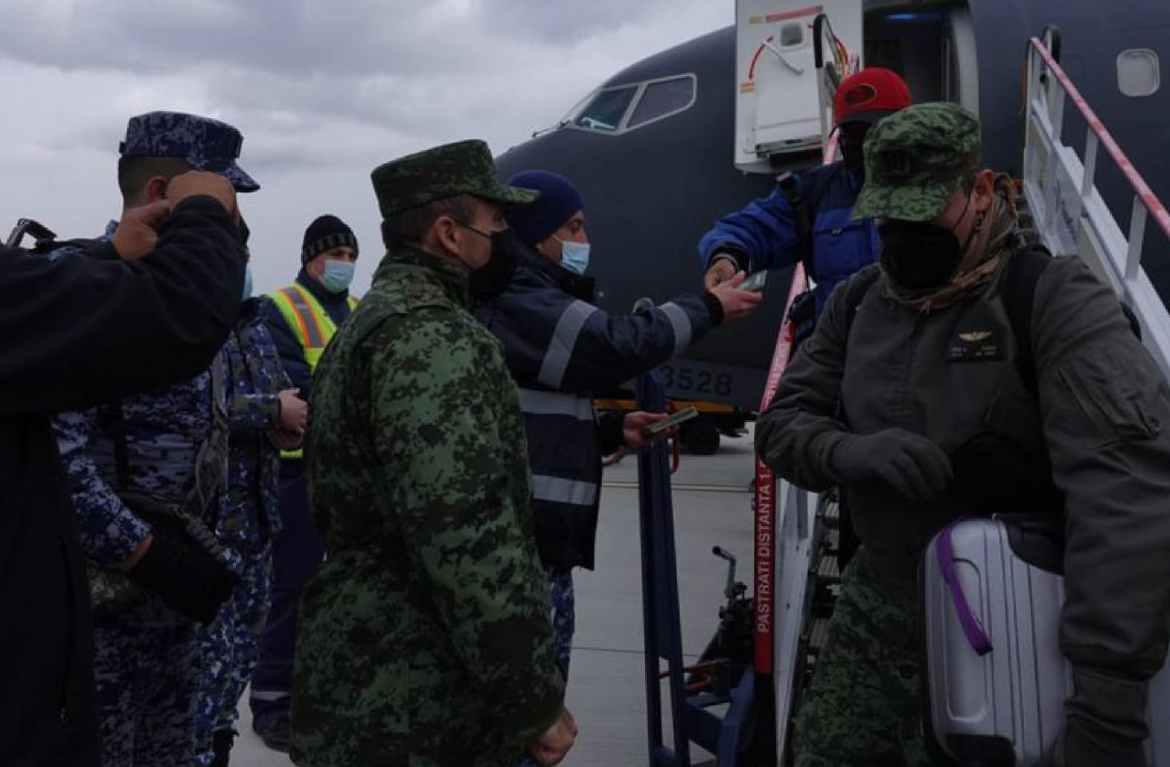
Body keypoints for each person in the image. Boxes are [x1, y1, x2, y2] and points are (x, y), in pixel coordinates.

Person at [756, 102, 1170, 767]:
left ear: (980, 191)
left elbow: (1126, 493)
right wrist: (849, 452)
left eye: (924, 210)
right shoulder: (860, 301)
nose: (903, 232)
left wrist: (1107, 704)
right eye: (889, 215)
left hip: (1010, 620)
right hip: (878, 610)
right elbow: (782, 426)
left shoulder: (1051, 299)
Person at [291, 140, 576, 767]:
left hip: (367, 665)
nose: (506, 236)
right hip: (419, 693)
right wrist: (532, 697)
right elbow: (467, 537)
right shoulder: (433, 337)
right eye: (496, 221)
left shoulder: (370, 324)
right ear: (449, 234)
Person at [0, 170, 245, 767]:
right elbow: (178, 313)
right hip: (88, 621)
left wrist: (104, 258)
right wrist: (146, 554)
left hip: (148, 617)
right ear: (160, 192)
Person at [475, 169, 761, 673]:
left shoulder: (527, 294)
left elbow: (526, 416)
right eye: (575, 227)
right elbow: (614, 345)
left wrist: (608, 431)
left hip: (536, 543)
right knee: (528, 702)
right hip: (521, 548)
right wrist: (709, 310)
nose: (586, 241)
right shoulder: (524, 299)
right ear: (541, 235)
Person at [51, 110, 261, 767]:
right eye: (223, 196)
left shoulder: (193, 299)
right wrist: (143, 553)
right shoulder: (81, 286)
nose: (235, 219)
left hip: (177, 612)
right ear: (164, 192)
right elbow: (55, 459)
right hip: (99, 608)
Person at [194, 251, 307, 767]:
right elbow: (197, 404)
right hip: (212, 530)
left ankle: (219, 748)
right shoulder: (192, 324)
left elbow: (274, 390)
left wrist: (282, 420)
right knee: (204, 669)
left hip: (257, 525)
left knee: (237, 661)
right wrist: (270, 409)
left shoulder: (257, 326)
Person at [699, 67, 911, 339]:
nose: (862, 145)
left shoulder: (941, 187)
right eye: (851, 133)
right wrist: (726, 258)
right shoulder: (816, 193)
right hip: (844, 356)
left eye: (872, 131)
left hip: (918, 354)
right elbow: (753, 227)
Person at [251, 213, 358, 749]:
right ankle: (272, 698)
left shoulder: (361, 311)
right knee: (291, 587)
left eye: (350, 257)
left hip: (350, 477)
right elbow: (292, 386)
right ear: (311, 258)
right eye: (335, 255)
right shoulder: (282, 308)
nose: (344, 265)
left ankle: (324, 694)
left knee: (341, 590)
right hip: (299, 474)